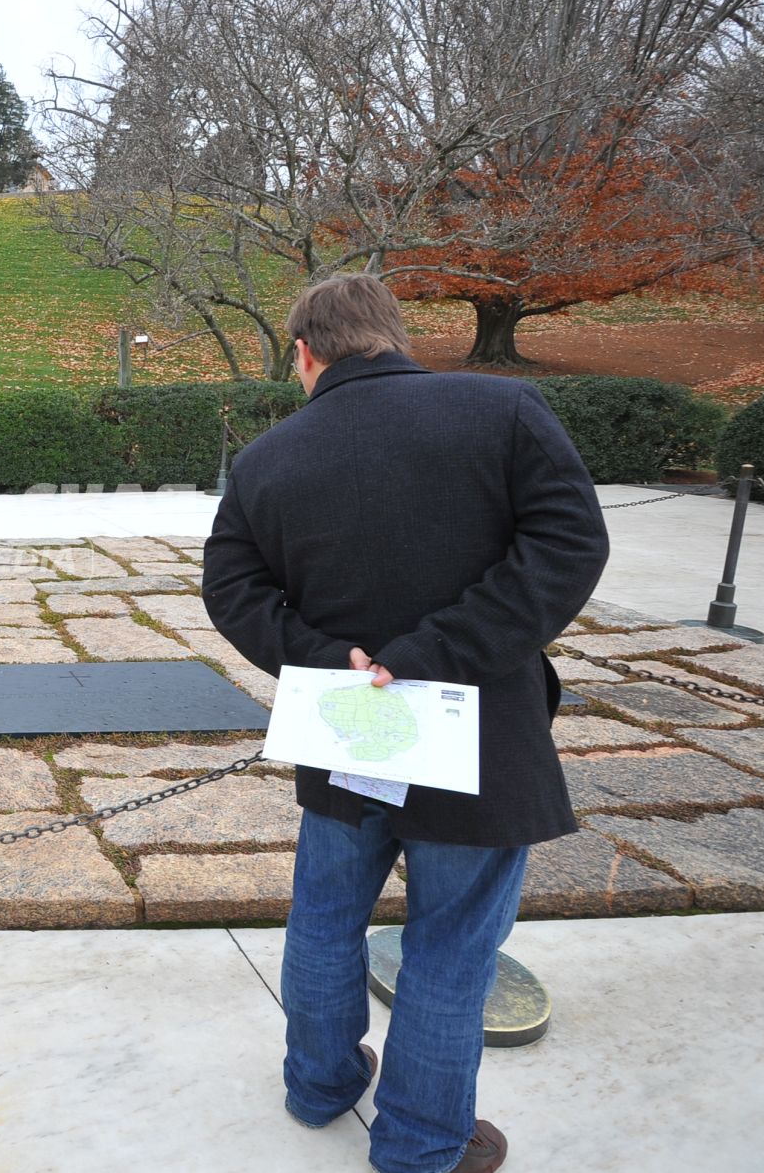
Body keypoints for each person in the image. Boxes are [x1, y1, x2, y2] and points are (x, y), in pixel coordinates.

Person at [202, 274, 609, 1173]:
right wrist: (438, 652)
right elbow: (570, 543)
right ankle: (423, 1143)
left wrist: (324, 658)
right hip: (481, 741)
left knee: (323, 918)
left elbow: (230, 588)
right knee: (452, 948)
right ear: (395, 336)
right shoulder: (502, 411)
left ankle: (318, 1085)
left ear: (303, 354)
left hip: (344, 730)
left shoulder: (269, 457)